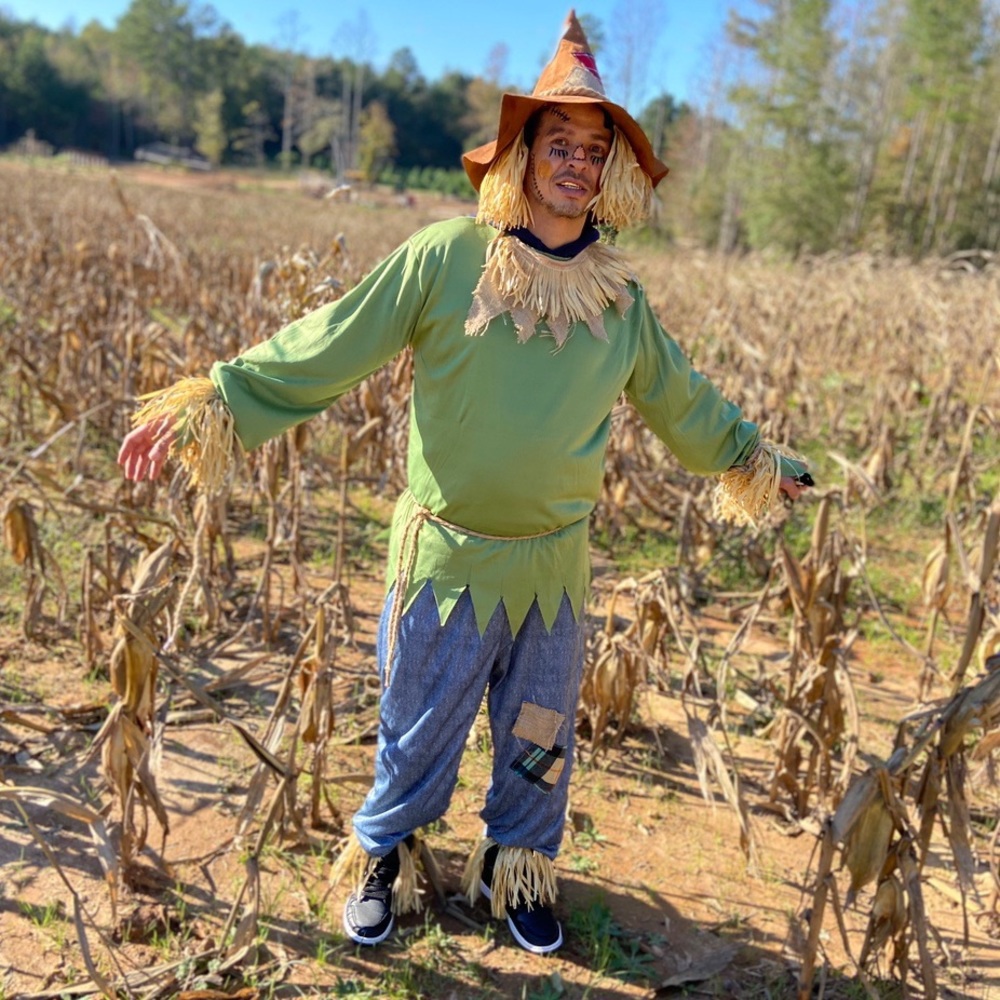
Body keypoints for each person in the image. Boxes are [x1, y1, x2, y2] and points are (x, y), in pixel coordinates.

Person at [118, 11, 810, 956]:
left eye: (593, 149)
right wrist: (217, 400)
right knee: (417, 727)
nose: (575, 161)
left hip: (553, 572)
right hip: (444, 560)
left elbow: (686, 405)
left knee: (539, 737)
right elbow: (330, 343)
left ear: (611, 174)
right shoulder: (444, 259)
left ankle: (515, 869)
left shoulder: (621, 302)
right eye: (557, 142)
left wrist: (756, 461)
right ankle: (386, 859)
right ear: (519, 157)